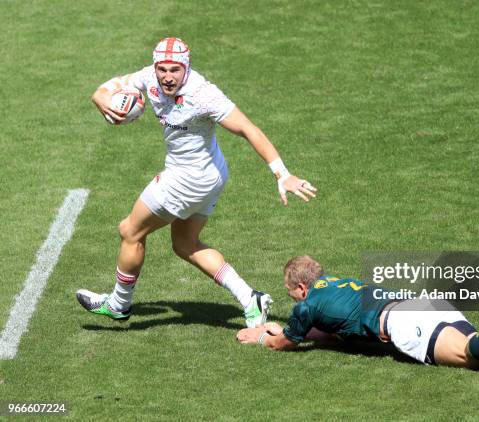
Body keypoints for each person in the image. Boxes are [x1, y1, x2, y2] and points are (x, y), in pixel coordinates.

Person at [76, 38, 317, 328]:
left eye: (175, 70)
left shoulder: (203, 94)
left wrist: (282, 173)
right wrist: (99, 98)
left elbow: (248, 129)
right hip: (210, 175)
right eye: (162, 69)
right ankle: (249, 297)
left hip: (188, 178)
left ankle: (118, 305)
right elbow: (108, 87)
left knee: (130, 230)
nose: (167, 77)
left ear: (186, 68)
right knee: (184, 243)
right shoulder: (149, 77)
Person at [237, 256, 479, 368]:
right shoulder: (338, 285)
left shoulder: (307, 305)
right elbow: (331, 330)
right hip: (423, 303)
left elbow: (286, 342)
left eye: (290, 293)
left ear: (301, 289)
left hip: (405, 324)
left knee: (470, 356)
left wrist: (263, 338)